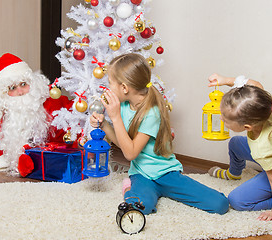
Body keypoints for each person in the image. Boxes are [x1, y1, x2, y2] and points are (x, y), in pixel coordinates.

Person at [90, 53, 229, 215]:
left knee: (220, 204)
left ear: (124, 88)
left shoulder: (151, 113)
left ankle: (147, 188)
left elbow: (130, 153)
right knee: (140, 208)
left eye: (110, 83)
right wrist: (105, 125)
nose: (108, 88)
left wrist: (114, 117)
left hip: (166, 173)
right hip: (141, 175)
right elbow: (125, 144)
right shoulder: (125, 107)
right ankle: (129, 186)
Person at [207, 73, 272, 221]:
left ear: (247, 126)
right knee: (235, 144)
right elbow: (254, 84)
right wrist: (225, 81)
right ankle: (234, 174)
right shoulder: (259, 103)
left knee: (237, 201)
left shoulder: (263, 149)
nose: (221, 118)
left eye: (226, 120)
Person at [0, 53, 73, 177]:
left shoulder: (49, 101)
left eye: (23, 84)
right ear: (4, 94)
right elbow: (1, 141)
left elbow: (73, 114)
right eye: (12, 88)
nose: (20, 92)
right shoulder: (5, 111)